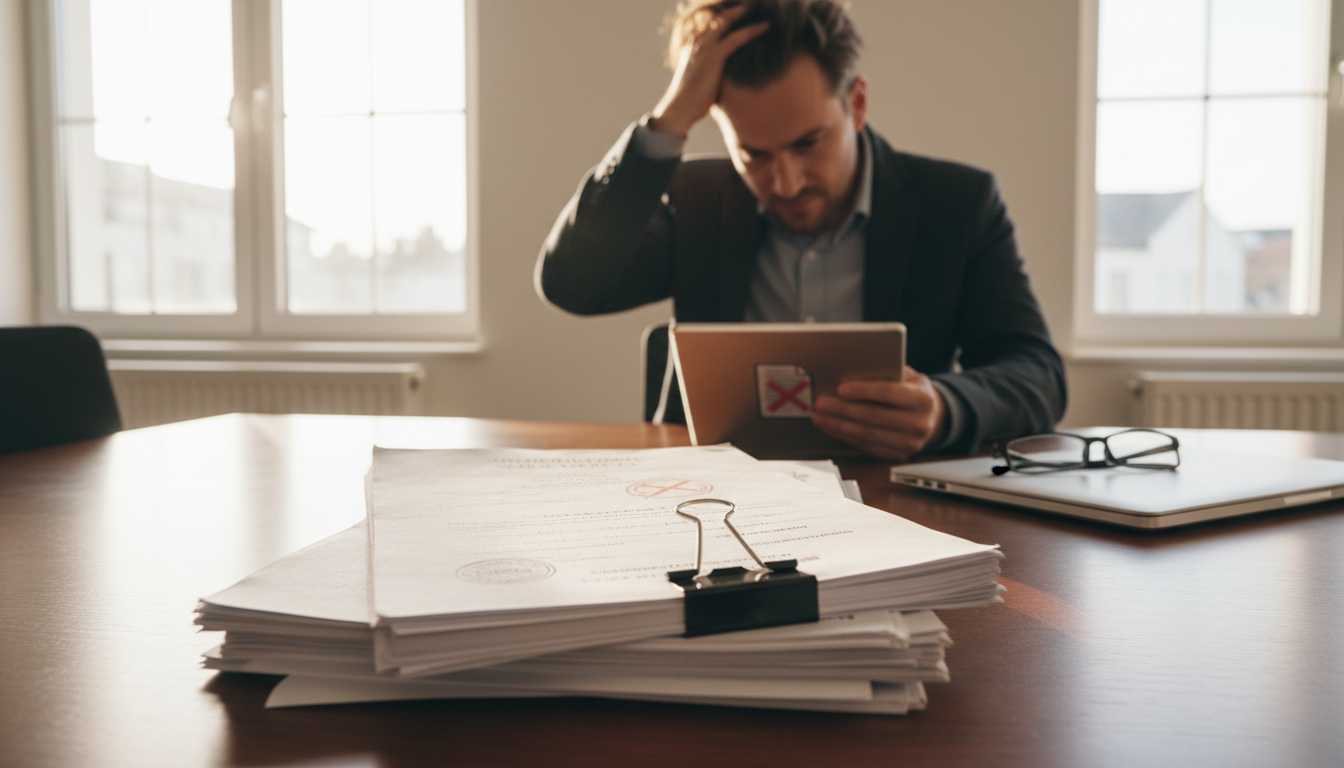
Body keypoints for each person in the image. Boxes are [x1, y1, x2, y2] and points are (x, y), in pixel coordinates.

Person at [536, 0, 1066, 461]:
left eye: (809, 143)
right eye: (754, 154)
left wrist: (944, 409)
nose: (785, 183)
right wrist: (668, 122)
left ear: (856, 104)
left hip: (896, 502)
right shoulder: (696, 197)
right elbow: (572, 284)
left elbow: (1037, 373)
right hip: (719, 500)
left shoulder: (958, 203)